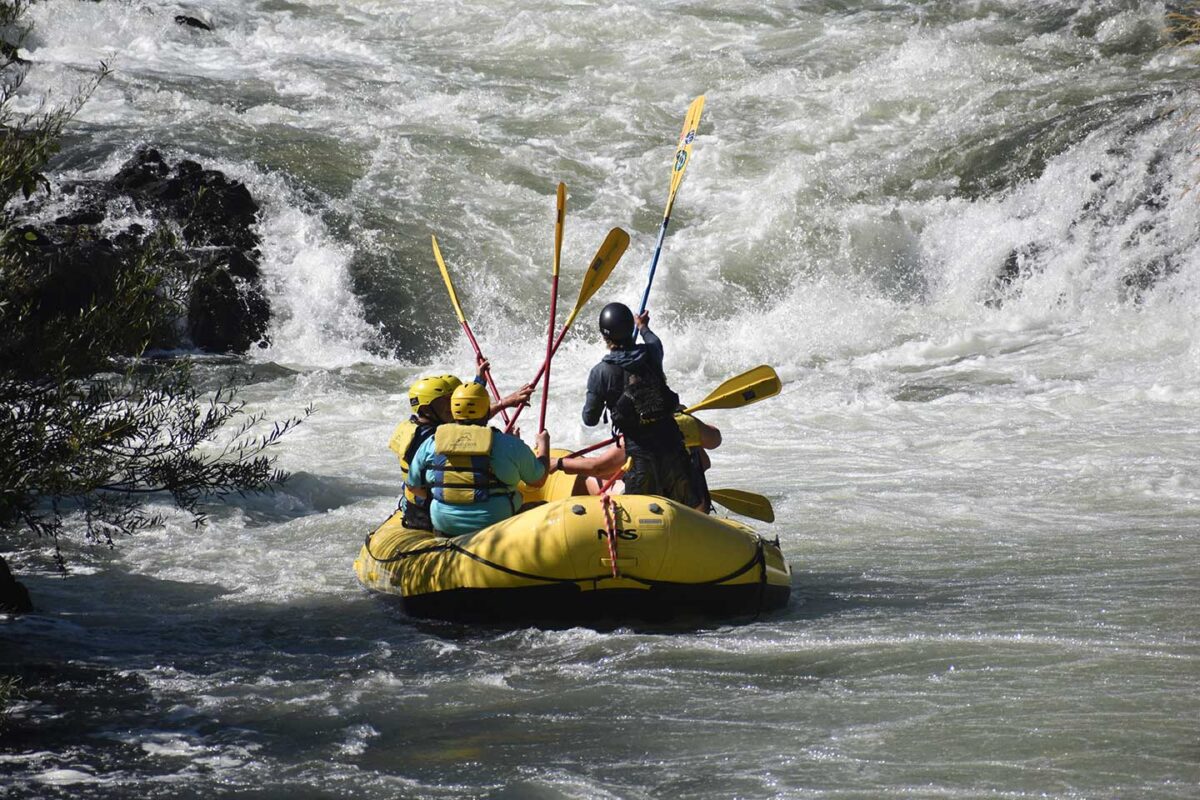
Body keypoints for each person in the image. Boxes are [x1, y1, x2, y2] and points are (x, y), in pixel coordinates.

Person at [580, 302, 700, 507]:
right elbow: (653, 340)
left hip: (641, 459)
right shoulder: (652, 353)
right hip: (673, 452)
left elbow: (589, 419)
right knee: (683, 504)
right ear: (631, 329)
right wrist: (643, 326)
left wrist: (599, 392)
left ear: (605, 336)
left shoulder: (600, 372)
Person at [389, 360, 531, 530]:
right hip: (424, 513)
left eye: (452, 401)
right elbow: (469, 428)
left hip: (422, 505)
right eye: (445, 402)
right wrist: (506, 441)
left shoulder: (417, 426)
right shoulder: (429, 438)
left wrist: (479, 381)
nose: (451, 407)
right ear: (426, 408)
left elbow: (467, 419)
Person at [407, 381, 550, 536]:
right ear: (486, 409)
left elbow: (413, 487)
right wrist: (543, 445)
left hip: (445, 526)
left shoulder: (431, 443)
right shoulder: (509, 444)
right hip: (498, 525)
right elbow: (538, 480)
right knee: (546, 509)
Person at [551, 411, 720, 510]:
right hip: (695, 506)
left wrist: (558, 463)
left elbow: (597, 468)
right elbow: (713, 445)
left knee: (586, 479)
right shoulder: (687, 424)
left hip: (647, 511)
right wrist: (688, 418)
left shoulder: (637, 435)